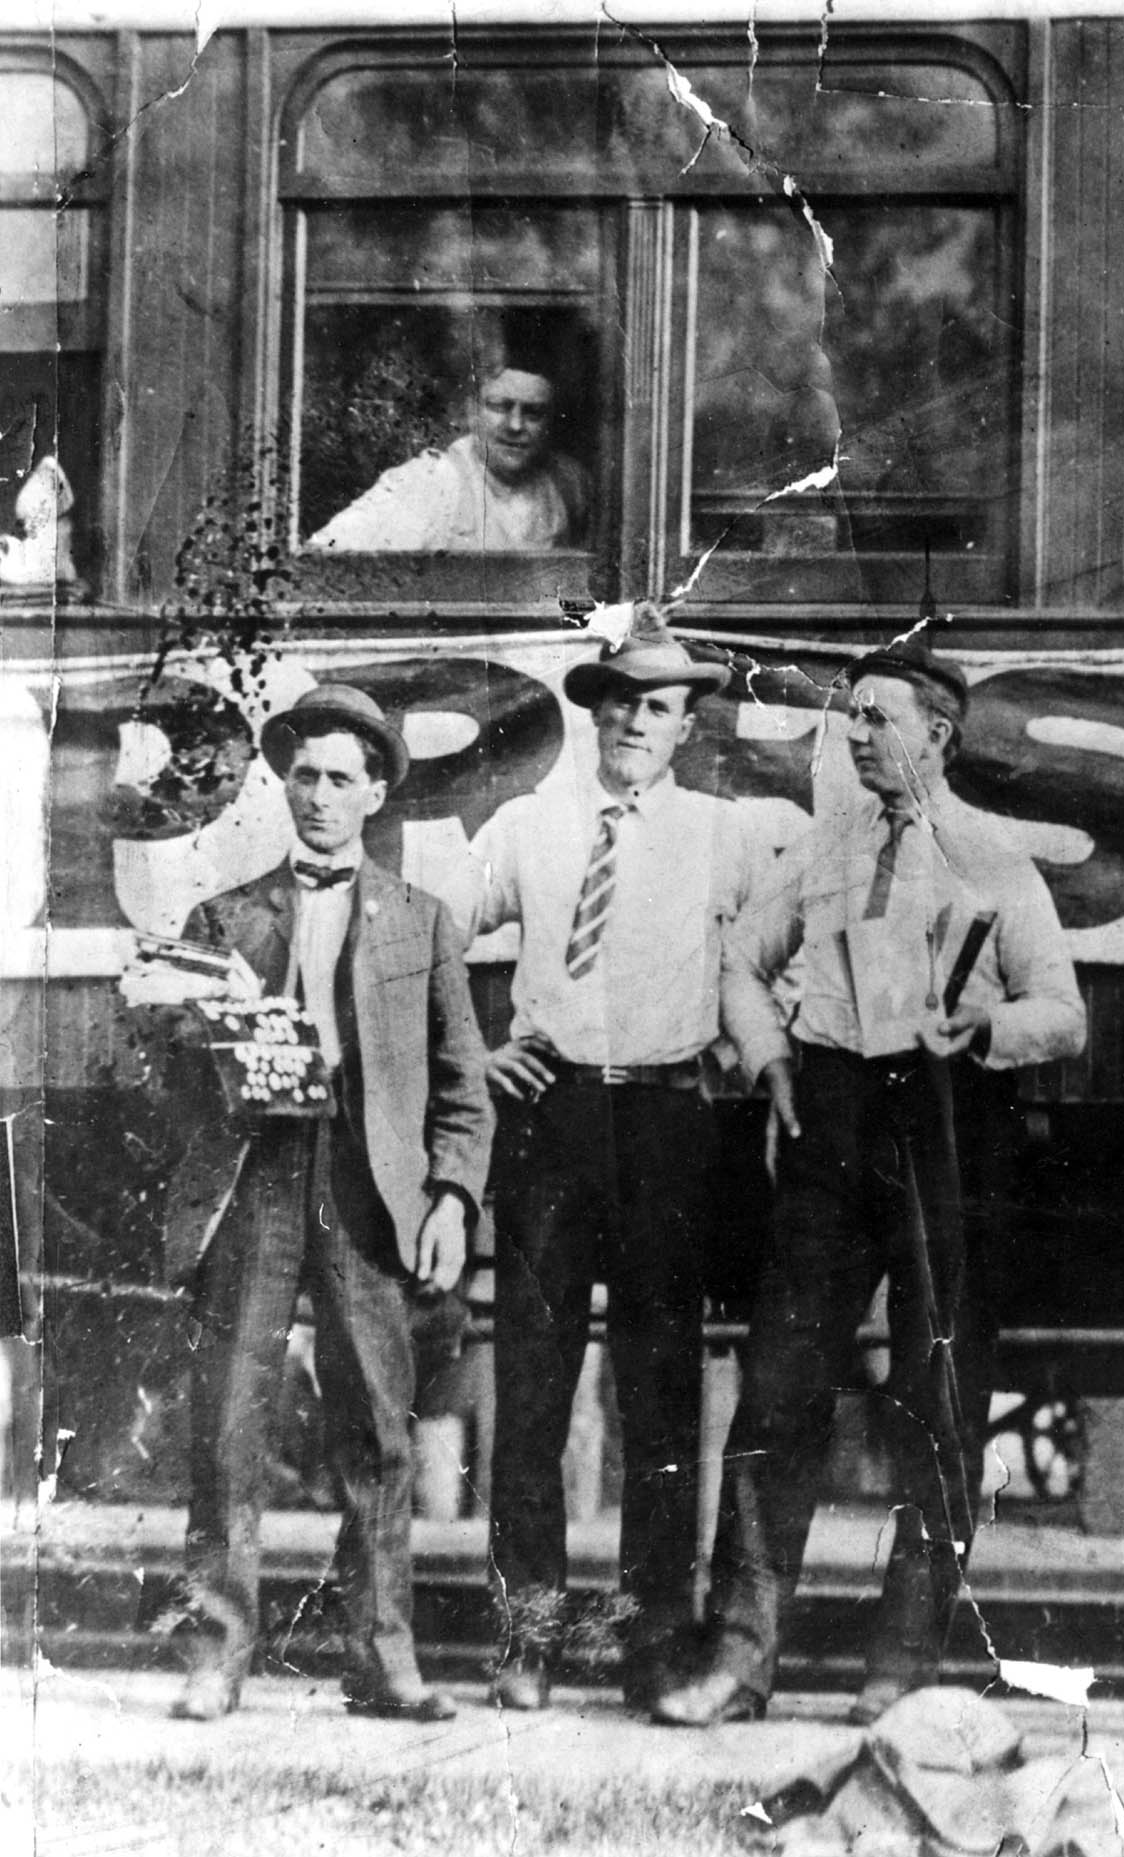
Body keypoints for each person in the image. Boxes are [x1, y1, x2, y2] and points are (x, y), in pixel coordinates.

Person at [651, 636, 1086, 1727]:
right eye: (850, 718)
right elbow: (740, 966)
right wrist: (773, 1060)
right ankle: (739, 1661)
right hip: (830, 1131)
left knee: (939, 1404)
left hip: (950, 1130)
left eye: (876, 718)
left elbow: (1064, 1013)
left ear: (937, 734)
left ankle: (903, 1669)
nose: (854, 734)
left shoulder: (996, 858)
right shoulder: (822, 851)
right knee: (776, 1391)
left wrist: (987, 1023)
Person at [470, 615, 780, 1714]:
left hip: (667, 1123)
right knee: (532, 1388)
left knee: (658, 1393)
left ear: (686, 724)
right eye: (613, 701)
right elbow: (420, 940)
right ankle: (527, 1640)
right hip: (551, 1117)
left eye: (654, 706)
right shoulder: (527, 831)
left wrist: (753, 1049)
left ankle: (655, 1644)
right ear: (589, 710)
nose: (630, 722)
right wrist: (477, 1052)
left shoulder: (728, 835)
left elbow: (793, 942)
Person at [166, 685, 494, 1722]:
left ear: (377, 793)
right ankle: (216, 1652)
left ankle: (383, 1657)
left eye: (340, 778)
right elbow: (173, 1071)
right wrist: (187, 1028)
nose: (317, 796)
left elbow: (462, 1086)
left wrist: (449, 1195)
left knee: (378, 1433)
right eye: (302, 775)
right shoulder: (222, 915)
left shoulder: (421, 921)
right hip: (255, 1180)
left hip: (367, 1191)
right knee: (228, 1418)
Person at [312, 332, 590, 553]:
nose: (515, 425)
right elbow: (322, 561)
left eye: (533, 413)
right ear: (471, 411)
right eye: (500, 407)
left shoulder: (569, 484)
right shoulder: (431, 484)